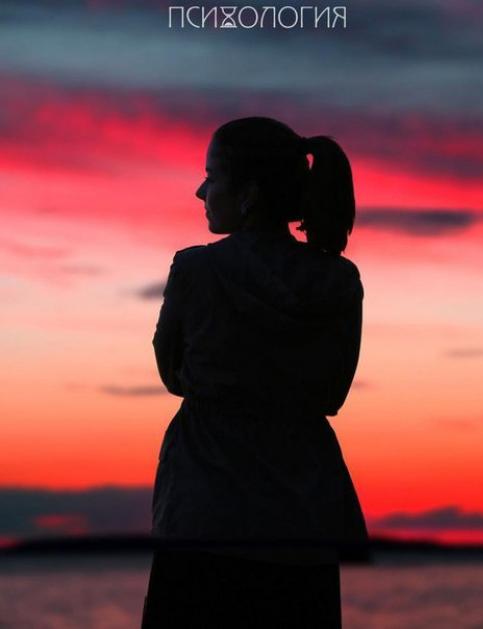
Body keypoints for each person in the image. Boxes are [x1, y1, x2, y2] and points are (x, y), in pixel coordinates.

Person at [141, 117, 369, 628]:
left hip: (203, 515)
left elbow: (171, 372)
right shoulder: (338, 279)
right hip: (303, 518)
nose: (201, 191)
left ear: (248, 195)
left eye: (211, 176)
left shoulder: (196, 270)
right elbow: (332, 392)